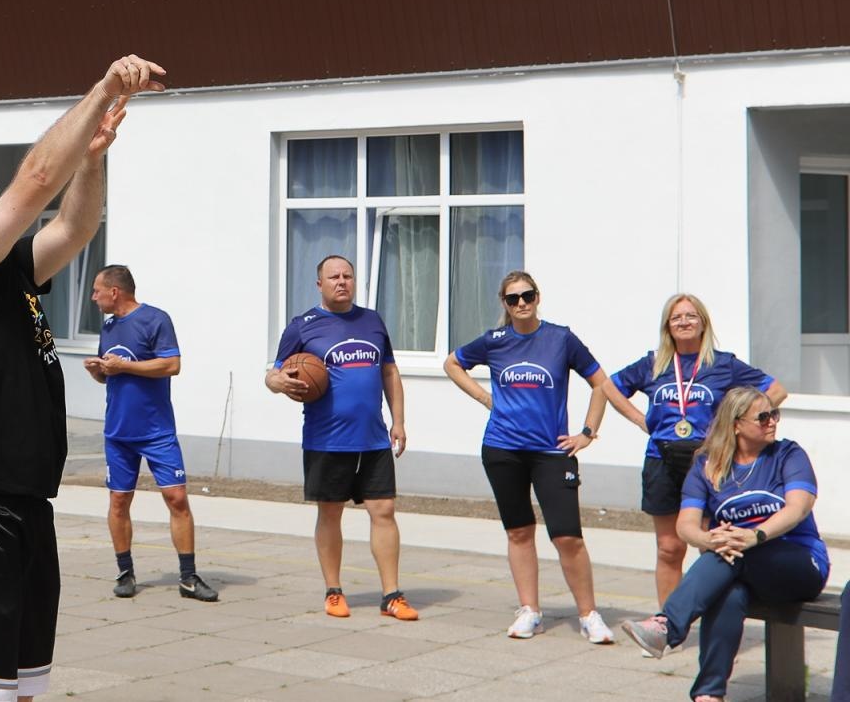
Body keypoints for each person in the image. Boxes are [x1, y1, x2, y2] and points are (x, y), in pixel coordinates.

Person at [0, 54, 165, 702]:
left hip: (25, 510)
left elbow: (75, 227)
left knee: (22, 692)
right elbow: (40, 178)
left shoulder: (12, 278)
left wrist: (95, 155)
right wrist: (103, 90)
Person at [443, 270, 630, 644]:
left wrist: (587, 433)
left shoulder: (560, 338)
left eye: (527, 295)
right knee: (518, 531)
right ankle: (530, 610)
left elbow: (601, 384)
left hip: (551, 452)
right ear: (505, 304)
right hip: (502, 449)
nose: (521, 303)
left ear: (537, 296)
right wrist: (485, 399)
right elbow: (451, 364)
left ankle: (589, 615)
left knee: (567, 537)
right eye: (513, 299)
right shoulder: (495, 341)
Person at [621, 387, 829, 702]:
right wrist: (707, 538)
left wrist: (754, 536)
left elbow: (797, 508)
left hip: (799, 563)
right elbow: (686, 525)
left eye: (774, 414)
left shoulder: (788, 454)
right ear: (735, 424)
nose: (772, 421)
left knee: (733, 554)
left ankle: (666, 625)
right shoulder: (706, 465)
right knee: (728, 594)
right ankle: (709, 694)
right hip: (740, 564)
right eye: (763, 417)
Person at [600, 293, 786, 606]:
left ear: (702, 323)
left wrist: (731, 425)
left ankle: (715, 623)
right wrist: (640, 420)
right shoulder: (652, 364)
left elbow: (776, 390)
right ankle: (668, 623)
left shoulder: (723, 364)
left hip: (709, 463)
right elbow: (608, 386)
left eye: (691, 316)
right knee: (669, 547)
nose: (684, 322)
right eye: (677, 318)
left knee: (712, 544)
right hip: (661, 460)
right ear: (667, 327)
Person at [264, 255, 417, 622]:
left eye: (347, 276)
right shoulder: (303, 326)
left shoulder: (372, 320)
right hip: (326, 439)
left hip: (374, 438)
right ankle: (334, 591)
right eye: (333, 277)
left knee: (384, 511)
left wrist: (398, 421)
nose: (342, 282)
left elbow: (390, 372)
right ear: (319, 284)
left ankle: (391, 595)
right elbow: (273, 374)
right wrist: (279, 383)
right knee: (330, 513)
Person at [81, 264, 217, 602]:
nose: (93, 297)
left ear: (115, 292)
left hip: (157, 432)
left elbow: (172, 365)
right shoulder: (109, 325)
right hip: (118, 432)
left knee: (177, 499)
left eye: (97, 290)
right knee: (118, 501)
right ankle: (125, 572)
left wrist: (123, 366)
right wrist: (99, 370)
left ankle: (188, 577)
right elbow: (112, 374)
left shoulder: (156, 319)